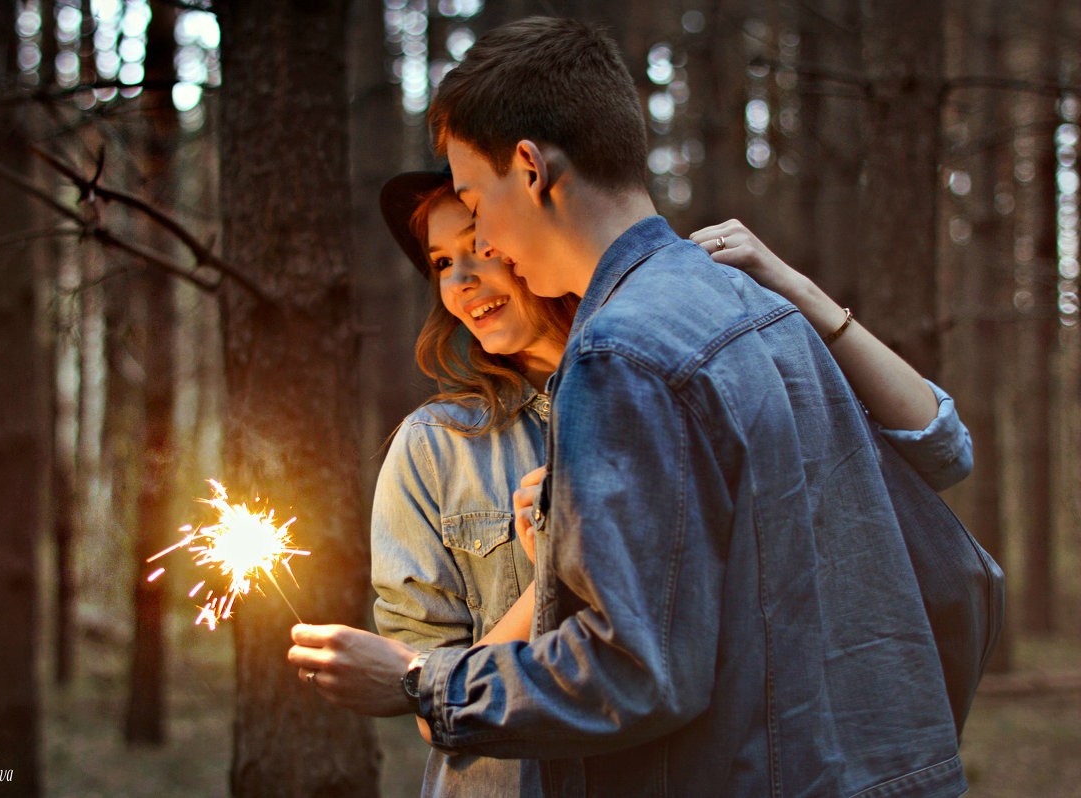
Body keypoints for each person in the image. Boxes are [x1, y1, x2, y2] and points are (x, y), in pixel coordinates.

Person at [292, 149, 975, 795]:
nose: (462, 279)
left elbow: (942, 451)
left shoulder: (692, 371)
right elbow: (426, 695)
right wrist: (551, 577)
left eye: (480, 243)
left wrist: (796, 294)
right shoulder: (435, 449)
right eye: (442, 261)